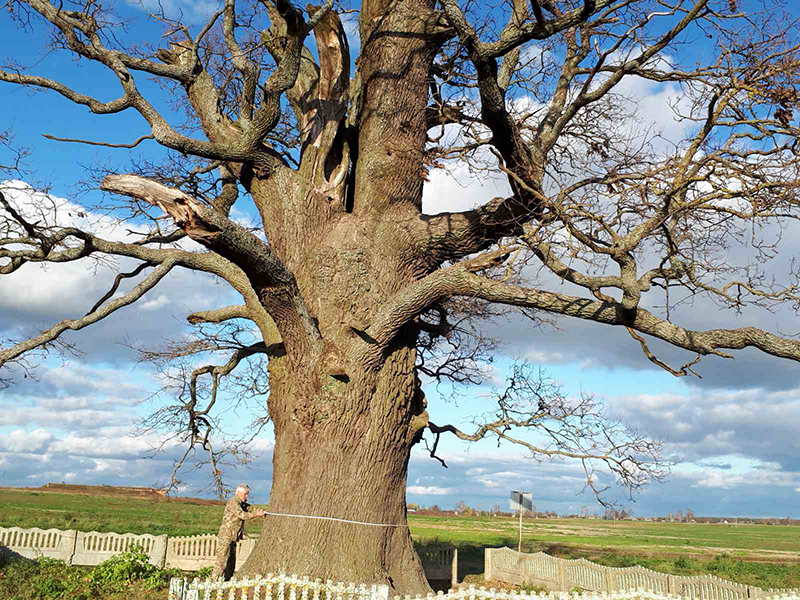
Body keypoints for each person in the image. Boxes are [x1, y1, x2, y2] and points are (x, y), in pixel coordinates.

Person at [212, 483, 266, 580]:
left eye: (247, 494)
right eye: (245, 494)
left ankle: (227, 581)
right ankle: (213, 581)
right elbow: (241, 514)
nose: (247, 496)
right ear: (239, 493)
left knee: (231, 562)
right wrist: (256, 515)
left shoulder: (242, 503)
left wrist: (261, 511)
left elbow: (250, 508)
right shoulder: (233, 502)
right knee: (222, 561)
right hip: (226, 536)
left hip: (233, 536)